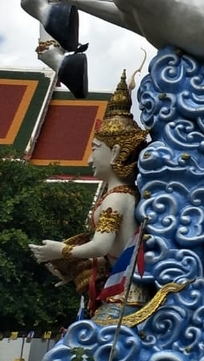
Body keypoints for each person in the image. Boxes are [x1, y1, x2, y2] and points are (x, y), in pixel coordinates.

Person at [29, 72, 148, 318]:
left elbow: (101, 245)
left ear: (115, 152)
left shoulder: (117, 198)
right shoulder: (116, 195)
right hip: (117, 289)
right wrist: (75, 269)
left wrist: (61, 251)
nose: (89, 159)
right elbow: (109, 253)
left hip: (126, 294)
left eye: (95, 149)